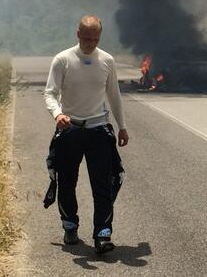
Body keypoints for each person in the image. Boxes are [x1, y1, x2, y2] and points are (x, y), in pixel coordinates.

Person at [44, 15, 129, 254]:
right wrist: (58, 114)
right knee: (67, 181)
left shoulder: (107, 60)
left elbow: (114, 95)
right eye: (87, 38)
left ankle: (103, 233)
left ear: (99, 37)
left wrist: (122, 126)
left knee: (103, 184)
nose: (91, 43)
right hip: (70, 129)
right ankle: (70, 225)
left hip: (98, 129)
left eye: (95, 39)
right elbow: (50, 93)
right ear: (78, 34)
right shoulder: (63, 59)